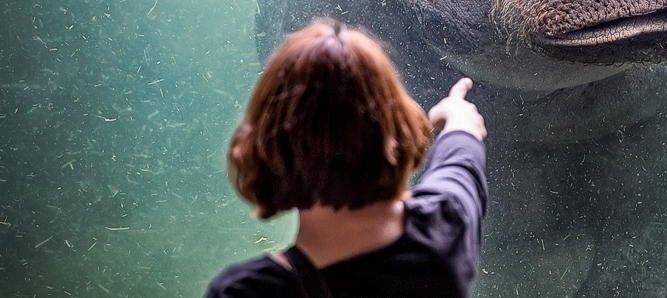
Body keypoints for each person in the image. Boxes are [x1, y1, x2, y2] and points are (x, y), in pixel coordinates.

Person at [205, 18, 488, 297]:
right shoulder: (448, 228)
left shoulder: (247, 291)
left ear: (267, 149)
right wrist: (457, 116)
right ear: (401, 132)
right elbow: (461, 159)